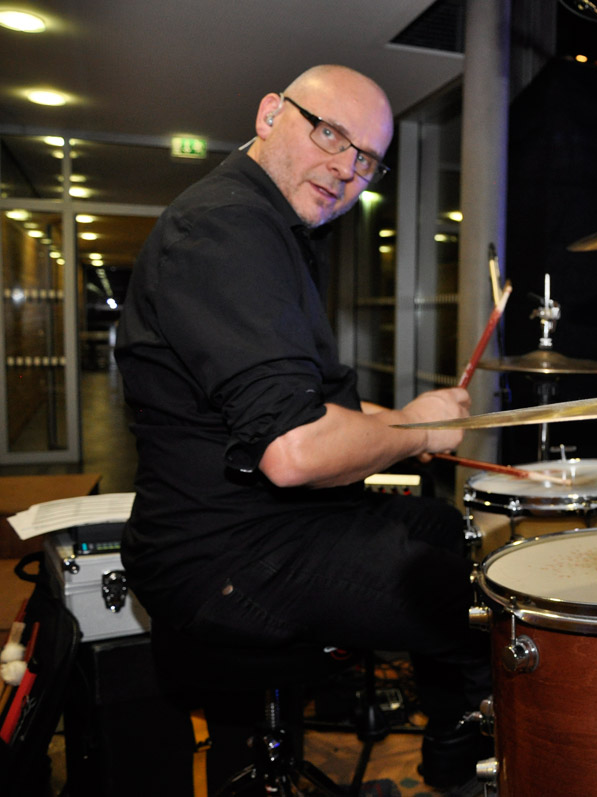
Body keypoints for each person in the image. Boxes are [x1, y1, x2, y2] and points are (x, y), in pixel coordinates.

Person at [115, 65, 490, 793]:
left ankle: (451, 748)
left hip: (261, 524)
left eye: (366, 159)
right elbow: (295, 451)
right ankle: (473, 767)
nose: (347, 169)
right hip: (221, 555)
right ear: (269, 115)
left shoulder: (266, 226)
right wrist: (415, 432)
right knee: (475, 606)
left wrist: (415, 418)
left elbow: (307, 406)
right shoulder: (225, 228)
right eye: (330, 135)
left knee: (443, 529)